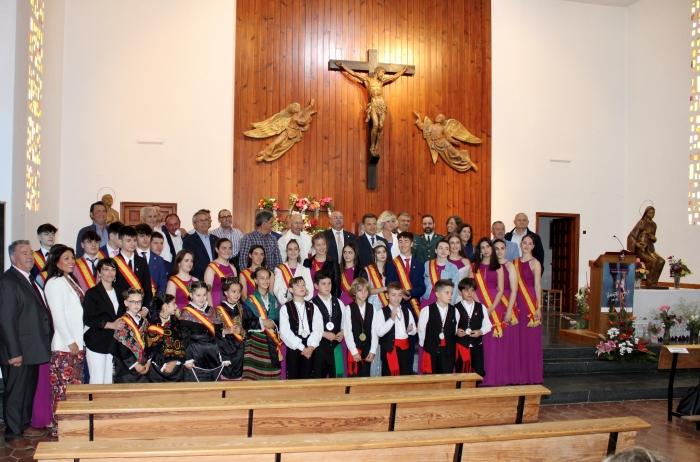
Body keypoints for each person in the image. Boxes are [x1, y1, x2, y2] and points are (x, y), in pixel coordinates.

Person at [0, 240, 53, 450]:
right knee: (15, 392)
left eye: (30, 252)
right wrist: (14, 352)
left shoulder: (29, 278)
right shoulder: (8, 281)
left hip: (32, 348)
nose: (30, 256)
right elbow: (6, 320)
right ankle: (13, 433)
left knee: (28, 389)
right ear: (13, 258)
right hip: (18, 351)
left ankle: (23, 424)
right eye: (24, 253)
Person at [43, 245, 85, 437]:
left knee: (75, 390)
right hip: (64, 347)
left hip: (77, 344)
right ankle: (60, 429)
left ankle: (74, 428)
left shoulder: (70, 280)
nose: (71, 261)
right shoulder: (54, 283)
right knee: (62, 390)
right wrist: (70, 342)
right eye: (66, 258)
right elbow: (58, 316)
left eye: (72, 258)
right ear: (56, 261)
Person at [83, 258, 124, 384]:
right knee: (97, 381)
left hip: (113, 342)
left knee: (109, 382)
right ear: (99, 273)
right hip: (97, 341)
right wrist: (110, 325)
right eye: (106, 269)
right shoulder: (92, 293)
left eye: (113, 269)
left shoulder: (119, 292)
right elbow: (88, 319)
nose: (110, 272)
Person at [473, 238, 506, 387]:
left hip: (494, 305)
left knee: (493, 342)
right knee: (480, 341)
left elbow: (501, 290)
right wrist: (480, 306)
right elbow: (471, 288)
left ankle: (493, 377)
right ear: (479, 250)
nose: (485, 250)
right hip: (477, 304)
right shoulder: (474, 267)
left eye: (488, 246)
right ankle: (478, 375)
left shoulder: (498, 267)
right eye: (482, 247)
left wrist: (491, 308)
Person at [242, 268, 283, 380]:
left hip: (271, 342)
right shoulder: (250, 301)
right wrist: (262, 322)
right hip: (255, 342)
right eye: (262, 278)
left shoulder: (273, 300)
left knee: (271, 376)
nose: (266, 281)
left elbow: (278, 319)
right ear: (255, 280)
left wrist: (272, 323)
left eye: (267, 278)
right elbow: (246, 322)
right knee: (254, 376)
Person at [180, 281, 225, 382]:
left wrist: (223, 355)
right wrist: (187, 359)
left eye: (204, 295)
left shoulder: (213, 311)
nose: (202, 298)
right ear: (191, 295)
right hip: (195, 354)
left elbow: (219, 335)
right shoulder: (186, 312)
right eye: (198, 295)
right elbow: (184, 338)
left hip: (213, 354)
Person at [514, 234, 544, 384]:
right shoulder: (514, 262)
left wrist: (539, 307)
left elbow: (537, 286)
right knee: (517, 338)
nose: (526, 245)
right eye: (524, 242)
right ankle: (518, 373)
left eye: (529, 243)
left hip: (530, 302)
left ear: (533, 246)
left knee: (529, 339)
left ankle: (530, 374)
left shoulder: (535, 263)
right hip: (517, 301)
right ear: (520, 244)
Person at [280, 277, 322, 379]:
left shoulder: (313, 306)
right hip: (294, 346)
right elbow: (285, 331)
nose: (301, 287)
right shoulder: (286, 307)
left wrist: (311, 346)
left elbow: (318, 328)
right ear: (291, 290)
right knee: (293, 378)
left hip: (310, 346)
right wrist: (301, 347)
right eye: (298, 285)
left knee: (308, 378)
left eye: (303, 285)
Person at [494, 238, 522, 384]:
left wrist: (509, 310)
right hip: (493, 303)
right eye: (496, 248)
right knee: (494, 340)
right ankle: (495, 372)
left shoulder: (510, 266)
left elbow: (514, 290)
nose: (499, 251)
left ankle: (507, 374)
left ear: (506, 250)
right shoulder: (490, 265)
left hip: (506, 304)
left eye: (502, 248)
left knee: (506, 341)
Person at [373, 282, 417, 376]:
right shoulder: (381, 312)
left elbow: (413, 331)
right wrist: (391, 319)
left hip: (405, 350)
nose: (397, 298)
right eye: (393, 295)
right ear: (387, 296)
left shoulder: (406, 311)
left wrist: (411, 329)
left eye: (399, 295)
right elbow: (379, 332)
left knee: (404, 375)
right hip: (390, 350)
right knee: (389, 376)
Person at [359, 244, 389, 377]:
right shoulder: (368, 270)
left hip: (386, 304)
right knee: (373, 335)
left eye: (384, 252)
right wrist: (384, 288)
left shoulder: (390, 268)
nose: (382, 254)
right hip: (374, 304)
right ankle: (372, 373)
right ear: (374, 255)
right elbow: (366, 290)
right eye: (378, 252)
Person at [311, 271, 346, 378]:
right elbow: (310, 326)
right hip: (319, 348)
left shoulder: (339, 302)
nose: (327, 286)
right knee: (318, 379)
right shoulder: (311, 304)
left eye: (329, 283)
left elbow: (345, 322)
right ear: (316, 286)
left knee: (337, 378)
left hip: (336, 348)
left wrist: (342, 332)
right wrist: (323, 333)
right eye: (323, 284)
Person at [418, 279, 458, 374]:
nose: (450, 296)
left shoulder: (455, 311)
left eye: (451, 293)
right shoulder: (426, 310)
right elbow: (422, 331)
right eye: (447, 293)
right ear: (437, 294)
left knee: (446, 377)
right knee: (431, 378)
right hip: (431, 351)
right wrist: (428, 347)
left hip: (448, 352)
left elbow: (454, 330)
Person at [385, 232, 426, 324]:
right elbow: (388, 285)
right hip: (397, 305)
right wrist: (401, 295)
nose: (403, 244)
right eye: (400, 241)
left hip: (414, 306)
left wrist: (409, 293)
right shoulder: (392, 264)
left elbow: (422, 288)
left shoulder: (419, 265)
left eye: (406, 241)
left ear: (412, 244)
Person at [454, 277, 490, 377]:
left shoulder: (481, 307)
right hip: (461, 345)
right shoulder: (455, 308)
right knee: (461, 373)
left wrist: (480, 332)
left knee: (478, 372)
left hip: (477, 345)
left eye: (472, 290)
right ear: (460, 292)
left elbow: (488, 325)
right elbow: (450, 326)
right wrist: (456, 331)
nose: (470, 293)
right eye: (466, 290)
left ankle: (475, 387)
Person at [145, 294, 186, 382]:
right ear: (165, 306)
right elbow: (153, 350)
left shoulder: (177, 323)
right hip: (158, 370)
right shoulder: (153, 326)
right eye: (173, 304)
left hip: (177, 370)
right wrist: (165, 363)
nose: (176, 306)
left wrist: (174, 362)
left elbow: (182, 343)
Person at [113, 288, 150, 383]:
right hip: (127, 369)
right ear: (126, 303)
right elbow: (122, 348)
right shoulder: (122, 322)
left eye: (139, 302)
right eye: (133, 302)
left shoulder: (144, 321)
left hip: (143, 365)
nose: (136, 304)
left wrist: (148, 362)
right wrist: (135, 365)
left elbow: (149, 343)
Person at [114, 226, 152, 315]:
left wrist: (145, 309)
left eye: (134, 240)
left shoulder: (142, 261)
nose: (132, 243)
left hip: (140, 310)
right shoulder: (114, 262)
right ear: (120, 242)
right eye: (128, 240)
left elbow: (147, 288)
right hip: (120, 311)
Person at [343, 278, 377, 377]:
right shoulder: (349, 308)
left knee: (366, 378)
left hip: (368, 350)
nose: (363, 293)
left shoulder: (372, 308)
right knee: (354, 377)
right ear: (354, 292)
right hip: (354, 349)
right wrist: (354, 351)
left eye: (366, 290)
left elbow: (374, 331)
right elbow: (348, 332)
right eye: (360, 290)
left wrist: (373, 350)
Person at [215, 277, 246, 380]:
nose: (237, 294)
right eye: (233, 291)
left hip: (240, 349)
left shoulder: (242, 309)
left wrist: (242, 331)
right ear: (226, 292)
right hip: (226, 348)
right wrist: (227, 331)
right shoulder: (218, 310)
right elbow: (214, 331)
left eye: (239, 291)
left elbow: (248, 328)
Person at [421, 240, 460, 307]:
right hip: (427, 300)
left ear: (449, 252)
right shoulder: (427, 264)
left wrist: (450, 306)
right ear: (436, 250)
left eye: (446, 249)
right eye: (440, 248)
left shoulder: (453, 268)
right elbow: (422, 283)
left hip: (443, 302)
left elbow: (455, 289)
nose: (443, 251)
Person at [182, 210, 219, 280]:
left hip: (217, 276)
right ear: (194, 224)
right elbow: (190, 261)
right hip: (198, 278)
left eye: (206, 220)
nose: (204, 222)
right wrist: (209, 272)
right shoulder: (189, 240)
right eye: (200, 221)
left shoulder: (216, 239)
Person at [274, 239, 313, 304]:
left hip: (301, 304)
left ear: (299, 251)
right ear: (286, 252)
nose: (293, 252)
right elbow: (277, 290)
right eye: (290, 249)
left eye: (295, 249)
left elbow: (310, 291)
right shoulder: (279, 269)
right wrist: (287, 302)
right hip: (285, 304)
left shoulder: (305, 270)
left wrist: (297, 301)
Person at [203, 238, 238, 308]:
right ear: (217, 249)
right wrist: (211, 309)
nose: (227, 251)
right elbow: (207, 291)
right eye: (224, 248)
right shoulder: (211, 268)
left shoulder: (233, 268)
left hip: (231, 305)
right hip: (216, 305)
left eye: (230, 248)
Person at [135, 224, 169, 295]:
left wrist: (156, 300)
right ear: (136, 237)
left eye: (148, 236)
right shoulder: (131, 256)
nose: (145, 239)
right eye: (142, 236)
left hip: (154, 298)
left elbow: (163, 284)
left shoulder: (159, 260)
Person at [303, 234, 341, 298]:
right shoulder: (307, 262)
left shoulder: (333, 262)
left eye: (323, 244)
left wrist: (334, 300)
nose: (322, 247)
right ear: (313, 246)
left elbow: (336, 286)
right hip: (310, 297)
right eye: (318, 245)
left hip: (327, 298)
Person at [31, 223, 57, 288]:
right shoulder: (32, 256)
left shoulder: (59, 254)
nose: (51, 236)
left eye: (53, 234)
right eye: (46, 234)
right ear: (39, 237)